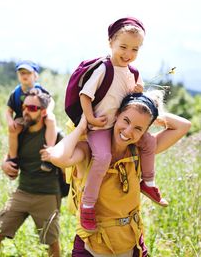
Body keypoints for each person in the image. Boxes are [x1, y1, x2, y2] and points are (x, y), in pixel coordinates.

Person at [41, 91, 191, 256]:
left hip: (132, 244)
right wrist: (83, 125)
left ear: (144, 132)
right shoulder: (89, 150)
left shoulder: (140, 151)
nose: (127, 131)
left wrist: (149, 112)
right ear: (116, 115)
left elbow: (184, 126)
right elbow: (59, 158)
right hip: (91, 246)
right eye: (126, 120)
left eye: (138, 128)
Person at [78, 17, 167, 231]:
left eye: (134, 49)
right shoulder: (103, 68)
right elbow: (85, 94)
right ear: (111, 43)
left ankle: (148, 183)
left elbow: (134, 99)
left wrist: (138, 91)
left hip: (119, 125)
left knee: (148, 143)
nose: (128, 54)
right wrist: (90, 118)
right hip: (100, 127)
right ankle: (87, 204)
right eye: (123, 47)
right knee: (103, 157)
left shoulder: (132, 72)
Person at [0, 88, 62, 257]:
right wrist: (4, 164)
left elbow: (66, 159)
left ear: (43, 112)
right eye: (24, 107)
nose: (26, 111)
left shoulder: (55, 134)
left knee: (53, 245)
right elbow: (10, 156)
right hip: (22, 192)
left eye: (32, 108)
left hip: (47, 195)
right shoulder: (20, 133)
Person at [6, 60, 57, 171]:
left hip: (39, 116)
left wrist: (48, 111)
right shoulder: (16, 93)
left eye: (28, 73)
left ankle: (49, 153)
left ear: (35, 76)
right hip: (22, 118)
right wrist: (10, 121)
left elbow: (51, 100)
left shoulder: (40, 90)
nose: (25, 76)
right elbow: (8, 110)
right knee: (13, 130)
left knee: (51, 119)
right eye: (21, 73)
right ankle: (13, 159)